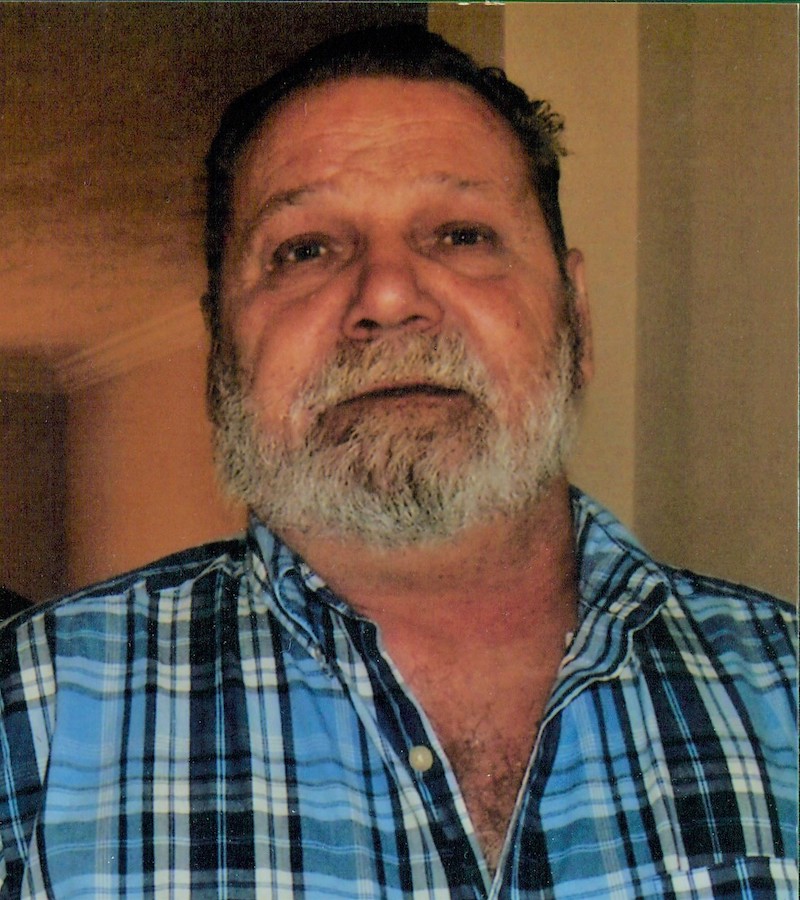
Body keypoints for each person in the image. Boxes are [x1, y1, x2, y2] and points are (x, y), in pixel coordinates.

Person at [0, 25, 796, 899]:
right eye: (305, 249)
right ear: (221, 346)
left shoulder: (788, 686)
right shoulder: (27, 713)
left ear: (577, 317)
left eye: (461, 235)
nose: (386, 296)